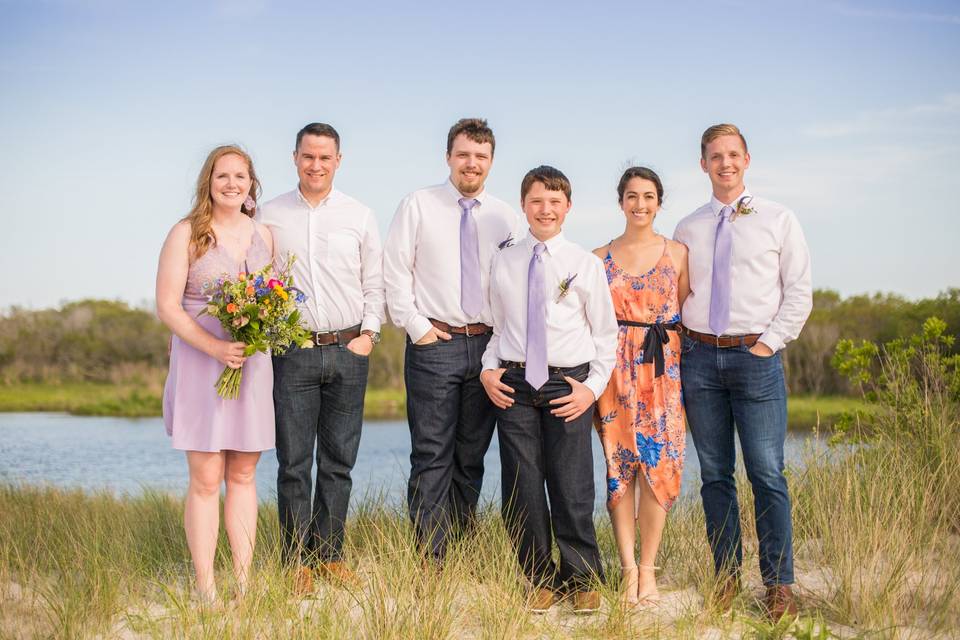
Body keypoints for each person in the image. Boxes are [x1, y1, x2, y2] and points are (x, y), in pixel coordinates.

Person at [674, 124, 812, 619]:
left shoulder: (778, 218)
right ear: (703, 164)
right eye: (715, 156)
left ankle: (778, 585)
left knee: (767, 473)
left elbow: (799, 293)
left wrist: (766, 345)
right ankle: (726, 579)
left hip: (756, 357)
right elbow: (678, 293)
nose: (725, 163)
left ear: (747, 160)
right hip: (699, 360)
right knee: (715, 475)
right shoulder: (687, 227)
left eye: (733, 155)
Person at [480, 165, 617, 614]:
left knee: (572, 482)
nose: (545, 209)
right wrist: (487, 369)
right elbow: (499, 328)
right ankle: (538, 576)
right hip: (515, 383)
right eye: (537, 201)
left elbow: (605, 336)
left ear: (568, 208)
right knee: (521, 483)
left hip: (568, 383)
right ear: (524, 205)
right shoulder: (505, 260)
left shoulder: (584, 264)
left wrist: (592, 389)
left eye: (555, 202)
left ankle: (581, 577)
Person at [383, 118, 519, 563]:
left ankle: (461, 546)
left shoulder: (507, 216)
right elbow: (395, 272)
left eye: (480, 157)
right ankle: (431, 560)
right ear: (448, 157)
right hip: (434, 343)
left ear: (491, 162)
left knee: (471, 454)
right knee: (431, 453)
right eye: (463, 155)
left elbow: (518, 282)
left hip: (488, 348)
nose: (471, 164)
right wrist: (417, 327)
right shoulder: (418, 205)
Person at [257, 123, 385, 593]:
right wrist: (271, 338)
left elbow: (375, 280)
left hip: (349, 350)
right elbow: (257, 283)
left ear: (338, 160)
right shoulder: (268, 216)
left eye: (325, 158)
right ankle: (296, 564)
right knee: (293, 462)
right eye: (308, 156)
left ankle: (329, 557)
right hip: (293, 352)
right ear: (294, 158)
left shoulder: (360, 215)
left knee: (338, 462)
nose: (316, 165)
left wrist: (369, 335)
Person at [156, 144, 275, 603]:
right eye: (222, 176)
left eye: (240, 176)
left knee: (244, 474)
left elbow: (276, 296)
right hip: (200, 363)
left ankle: (243, 583)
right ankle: (205, 586)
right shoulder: (186, 233)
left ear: (251, 184)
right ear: (209, 182)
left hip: (252, 364)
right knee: (206, 478)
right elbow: (168, 306)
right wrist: (216, 347)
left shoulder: (265, 234)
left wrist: (258, 334)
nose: (232, 184)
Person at [592, 167, 689, 607]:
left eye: (648, 196)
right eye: (632, 196)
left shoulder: (678, 253)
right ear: (621, 202)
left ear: (659, 202)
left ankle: (649, 569)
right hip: (614, 371)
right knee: (620, 470)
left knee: (658, 471)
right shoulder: (598, 257)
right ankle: (627, 569)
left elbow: (684, 316)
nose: (640, 204)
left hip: (663, 374)